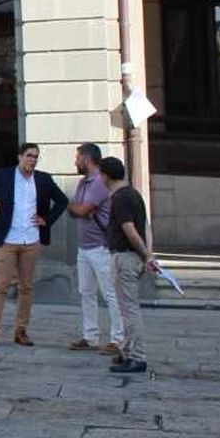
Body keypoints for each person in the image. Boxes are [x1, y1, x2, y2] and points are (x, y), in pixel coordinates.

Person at [0, 143, 68, 347]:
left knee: (26, 287)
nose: (32, 160)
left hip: (31, 240)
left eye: (36, 157)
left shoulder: (43, 179)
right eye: (29, 156)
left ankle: (21, 330)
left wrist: (46, 219)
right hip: (7, 240)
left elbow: (62, 200)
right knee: (0, 286)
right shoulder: (3, 176)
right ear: (19, 156)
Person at [66, 143, 124, 359]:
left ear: (87, 159)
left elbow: (80, 209)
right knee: (86, 292)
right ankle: (90, 337)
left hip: (100, 247)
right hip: (84, 247)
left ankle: (118, 339)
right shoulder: (83, 182)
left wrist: (77, 210)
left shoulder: (99, 183)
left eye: (77, 157)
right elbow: (78, 210)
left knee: (110, 293)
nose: (75, 161)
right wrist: (78, 210)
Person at [101, 156, 158, 374]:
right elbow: (146, 228)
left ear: (105, 176)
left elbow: (131, 232)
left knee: (129, 309)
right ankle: (126, 352)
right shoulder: (134, 195)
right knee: (126, 309)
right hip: (133, 257)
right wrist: (148, 255)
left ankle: (137, 357)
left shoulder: (120, 198)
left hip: (125, 257)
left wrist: (147, 257)